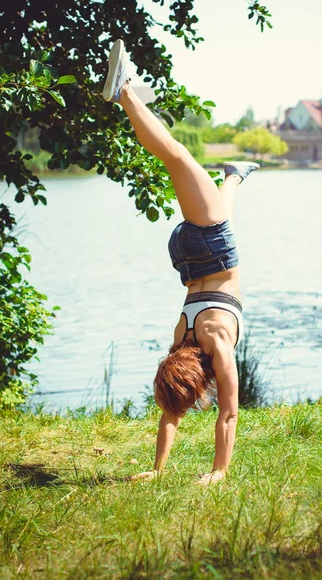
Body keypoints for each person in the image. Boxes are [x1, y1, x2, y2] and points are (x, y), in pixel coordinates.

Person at [103, 39, 259, 486]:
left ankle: (125, 91)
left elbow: (227, 413)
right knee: (211, 194)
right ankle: (234, 173)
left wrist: (218, 473)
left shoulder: (214, 344)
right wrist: (159, 471)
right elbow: (177, 412)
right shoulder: (181, 339)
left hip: (211, 250)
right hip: (187, 258)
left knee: (177, 156)